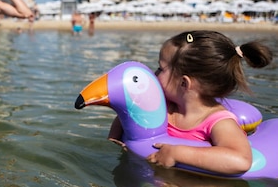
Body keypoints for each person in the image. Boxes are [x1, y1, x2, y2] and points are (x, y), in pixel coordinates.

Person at [109, 30, 273, 175]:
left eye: (160, 68)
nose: (154, 73)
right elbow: (128, 112)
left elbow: (241, 161)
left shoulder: (218, 122)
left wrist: (177, 153)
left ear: (184, 83)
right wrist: (115, 138)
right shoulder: (164, 104)